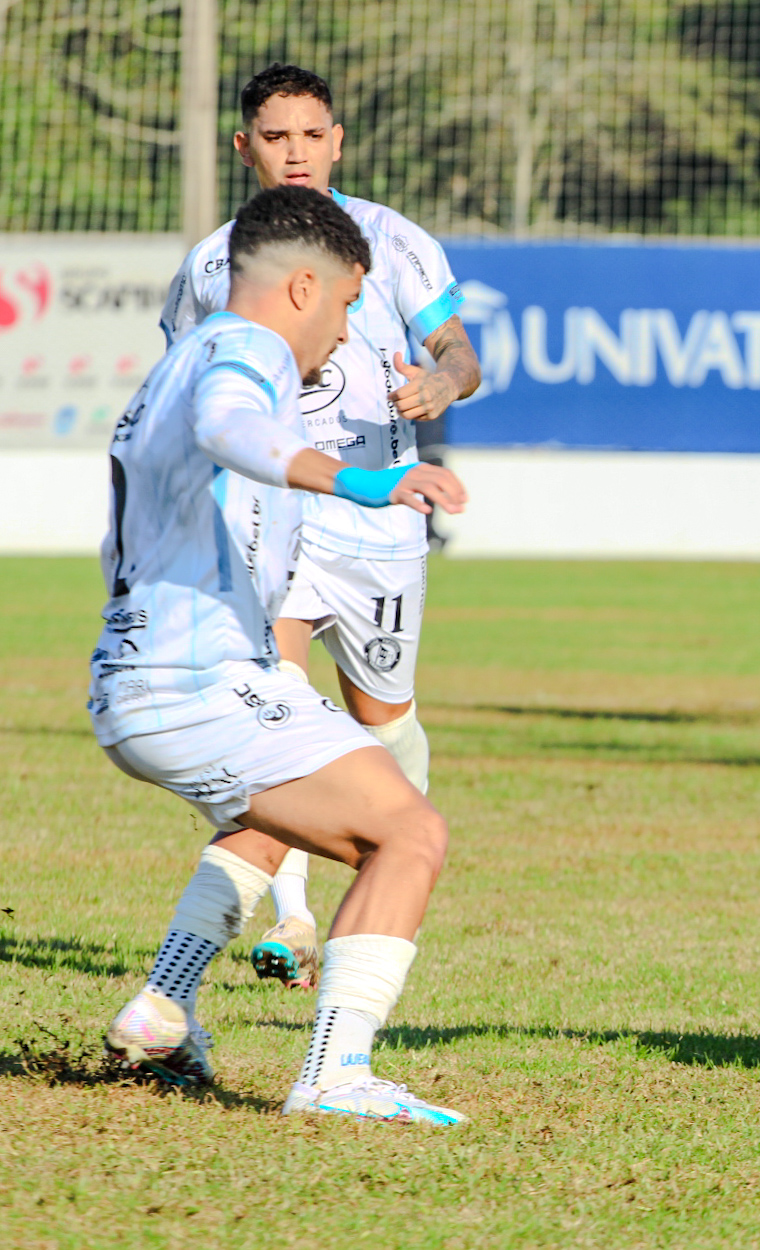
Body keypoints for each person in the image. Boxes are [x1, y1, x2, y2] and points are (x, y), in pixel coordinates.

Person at [98, 185, 471, 1124]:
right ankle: (336, 1073)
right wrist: (365, 480)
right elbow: (234, 428)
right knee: (410, 833)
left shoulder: (182, 356)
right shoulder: (247, 350)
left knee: (295, 812)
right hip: (192, 681)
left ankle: (163, 1007)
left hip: (158, 674)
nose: (346, 335)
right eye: (347, 306)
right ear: (303, 287)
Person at [161, 64, 481, 991]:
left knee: (385, 726)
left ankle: (376, 869)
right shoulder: (212, 265)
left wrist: (441, 382)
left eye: (311, 134)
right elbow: (187, 383)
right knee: (282, 730)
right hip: (267, 524)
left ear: (337, 141)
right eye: (274, 135)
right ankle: (293, 923)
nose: (294, 151)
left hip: (378, 534)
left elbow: (460, 351)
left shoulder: (393, 240)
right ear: (244, 146)